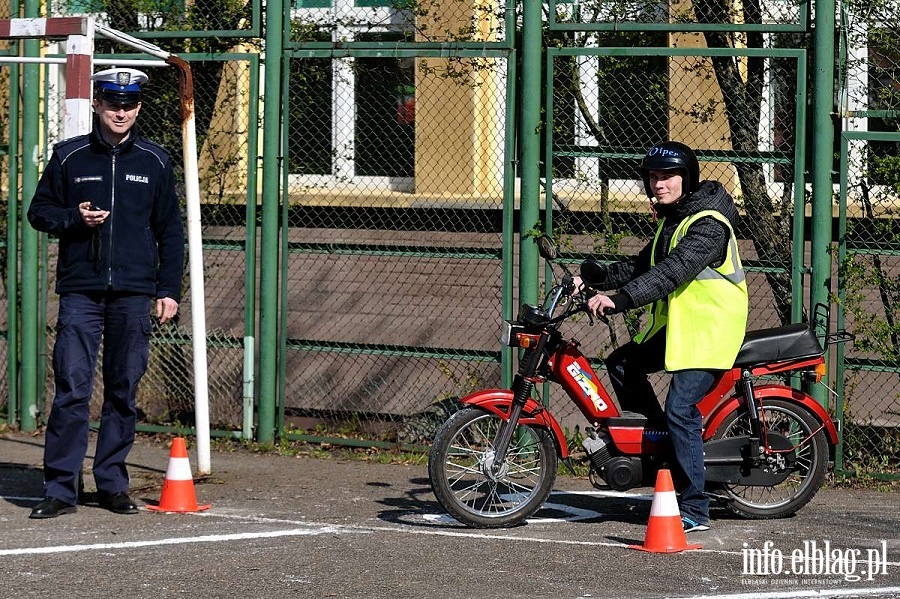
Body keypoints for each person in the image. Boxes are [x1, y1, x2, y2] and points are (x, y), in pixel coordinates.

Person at [27, 68, 185, 518]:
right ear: (97, 104)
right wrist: (74, 218)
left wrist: (168, 290)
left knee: (123, 388)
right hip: (81, 290)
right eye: (113, 103)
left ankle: (112, 484)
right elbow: (39, 212)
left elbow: (170, 232)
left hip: (134, 294)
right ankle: (61, 489)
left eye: (129, 103)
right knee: (72, 388)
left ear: (137, 107)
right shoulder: (68, 156)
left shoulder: (155, 161)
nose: (121, 111)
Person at [574, 141, 748, 532]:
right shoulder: (675, 219)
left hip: (711, 331)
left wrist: (619, 301)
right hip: (685, 329)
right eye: (653, 176)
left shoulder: (708, 225)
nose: (658, 184)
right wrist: (590, 278)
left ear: (686, 179)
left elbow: (672, 272)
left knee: (681, 409)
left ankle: (695, 508)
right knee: (622, 364)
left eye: (667, 176)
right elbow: (643, 265)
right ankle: (662, 451)